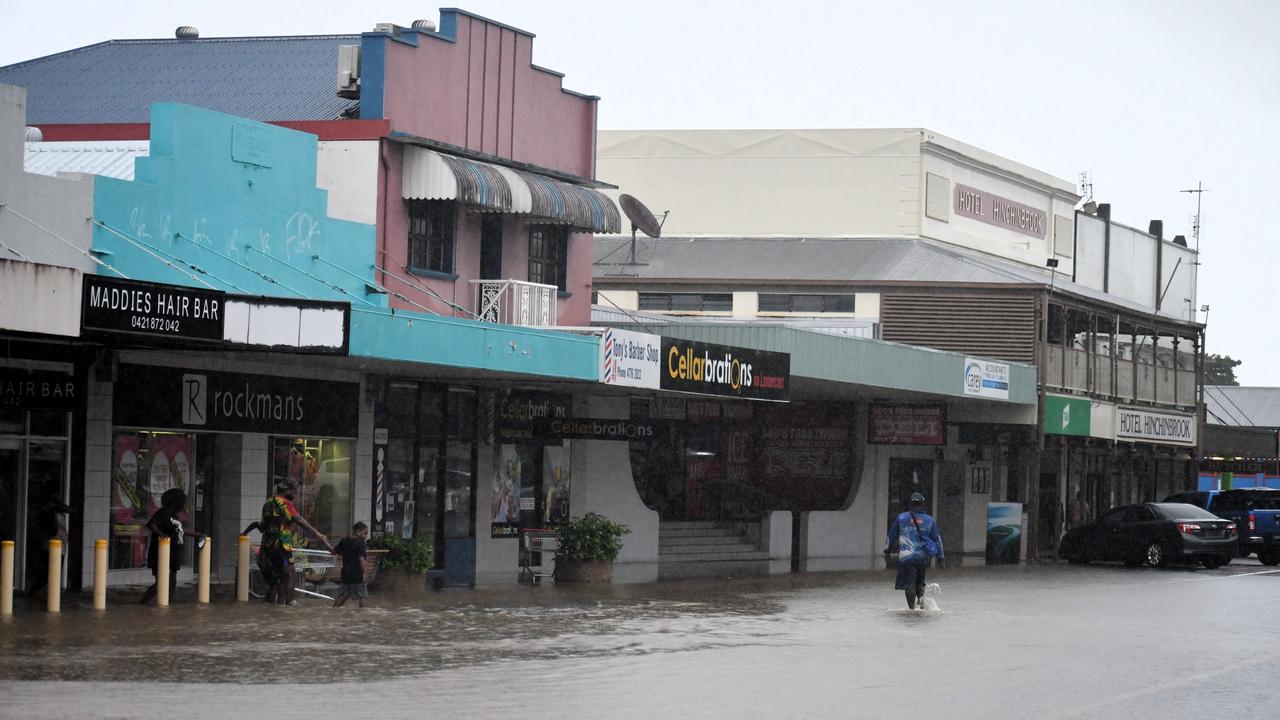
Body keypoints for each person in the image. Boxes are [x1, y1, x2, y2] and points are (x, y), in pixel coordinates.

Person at [259, 479, 333, 605]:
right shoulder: (284, 503)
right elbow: (298, 519)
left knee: (276, 579)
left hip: (267, 546)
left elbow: (262, 526)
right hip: (282, 545)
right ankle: (289, 604)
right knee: (290, 575)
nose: (296, 494)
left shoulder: (269, 502)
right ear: (286, 489)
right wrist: (317, 534)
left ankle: (274, 607)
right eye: (294, 491)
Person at [140, 488, 203, 605]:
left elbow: (180, 529)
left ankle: (167, 603)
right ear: (176, 502)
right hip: (161, 552)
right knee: (161, 582)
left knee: (172, 581)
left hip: (174, 552)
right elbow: (151, 524)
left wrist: (196, 535)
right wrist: (161, 535)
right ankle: (143, 604)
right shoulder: (163, 512)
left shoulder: (175, 515)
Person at [884, 491, 945, 610]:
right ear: (922, 504)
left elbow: (890, 536)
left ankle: (911, 610)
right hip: (922, 558)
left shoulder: (901, 518)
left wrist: (887, 552)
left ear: (910, 504)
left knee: (909, 584)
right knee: (920, 583)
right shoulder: (929, 520)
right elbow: (937, 540)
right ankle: (921, 607)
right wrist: (941, 557)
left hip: (906, 558)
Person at [25, 495, 71, 598]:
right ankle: (48, 597)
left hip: (48, 546)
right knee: (52, 573)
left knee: (48, 573)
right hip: (56, 546)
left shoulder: (45, 511)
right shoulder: (55, 513)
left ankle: (34, 593)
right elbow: (69, 510)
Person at [331, 521, 369, 608]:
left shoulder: (344, 541)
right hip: (357, 574)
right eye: (365, 533)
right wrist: (365, 574)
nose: (366, 536)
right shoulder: (360, 544)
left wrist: (324, 541)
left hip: (345, 574)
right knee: (363, 595)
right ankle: (363, 615)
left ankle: (334, 611)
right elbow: (362, 559)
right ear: (358, 532)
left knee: (342, 595)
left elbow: (333, 551)